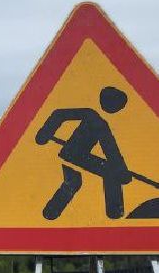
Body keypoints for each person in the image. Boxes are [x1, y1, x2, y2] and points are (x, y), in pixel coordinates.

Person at [34, 86, 134, 220]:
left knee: (109, 172)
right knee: (76, 180)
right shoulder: (93, 117)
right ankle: (51, 212)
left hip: (79, 156)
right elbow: (111, 150)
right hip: (71, 152)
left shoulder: (97, 120)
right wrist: (45, 132)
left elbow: (111, 150)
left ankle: (115, 212)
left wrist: (121, 171)